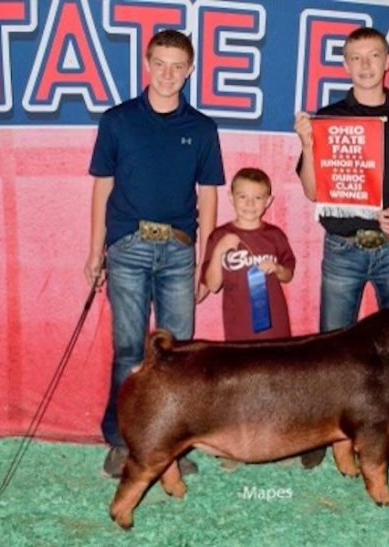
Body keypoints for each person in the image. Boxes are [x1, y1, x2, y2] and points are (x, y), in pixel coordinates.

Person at [85, 29, 225, 478]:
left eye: (177, 66)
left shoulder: (202, 128)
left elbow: (208, 197)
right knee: (129, 350)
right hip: (126, 247)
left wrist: (206, 261)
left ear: (190, 70)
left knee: (178, 354)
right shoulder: (118, 120)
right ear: (147, 63)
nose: (168, 74)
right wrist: (94, 251)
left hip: (180, 252)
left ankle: (172, 446)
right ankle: (122, 441)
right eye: (160, 64)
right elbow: (102, 188)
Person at [294, 27, 389, 468]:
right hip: (343, 247)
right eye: (357, 57)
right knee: (331, 347)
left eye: (374, 56)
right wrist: (309, 143)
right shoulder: (329, 117)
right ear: (345, 63)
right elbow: (313, 191)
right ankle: (319, 432)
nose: (366, 65)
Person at [202, 167, 296, 341]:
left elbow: (288, 275)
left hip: (273, 326)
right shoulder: (219, 236)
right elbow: (213, 286)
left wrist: (277, 268)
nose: (250, 204)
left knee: (275, 365)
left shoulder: (275, 235)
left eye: (258, 198)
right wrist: (219, 251)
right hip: (238, 325)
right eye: (242, 197)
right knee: (241, 367)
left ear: (268, 201)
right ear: (231, 197)